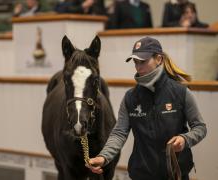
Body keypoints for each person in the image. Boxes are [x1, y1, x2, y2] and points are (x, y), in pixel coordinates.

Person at [86, 37, 207, 180]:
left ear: (159, 59)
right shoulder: (130, 97)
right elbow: (119, 133)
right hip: (141, 174)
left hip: (176, 175)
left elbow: (200, 127)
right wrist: (103, 157)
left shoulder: (181, 92)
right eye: (135, 62)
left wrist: (184, 139)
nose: (138, 67)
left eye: (143, 61)